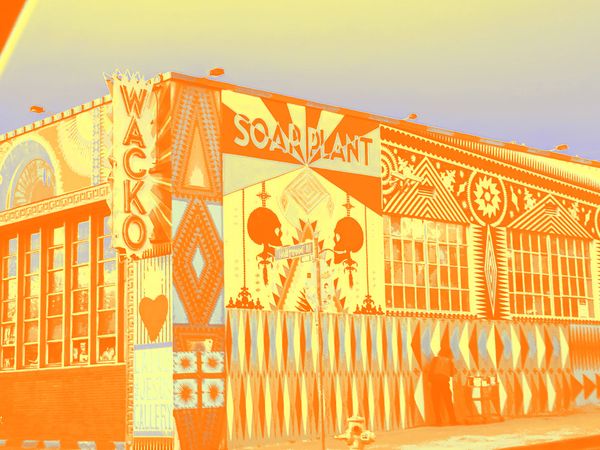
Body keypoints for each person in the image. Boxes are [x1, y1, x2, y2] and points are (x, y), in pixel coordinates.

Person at [429, 347, 457, 425]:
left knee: (436, 402)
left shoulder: (435, 359)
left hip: (435, 382)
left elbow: (431, 370)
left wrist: (430, 380)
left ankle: (438, 421)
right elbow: (452, 374)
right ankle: (452, 420)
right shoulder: (449, 361)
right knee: (448, 402)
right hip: (444, 382)